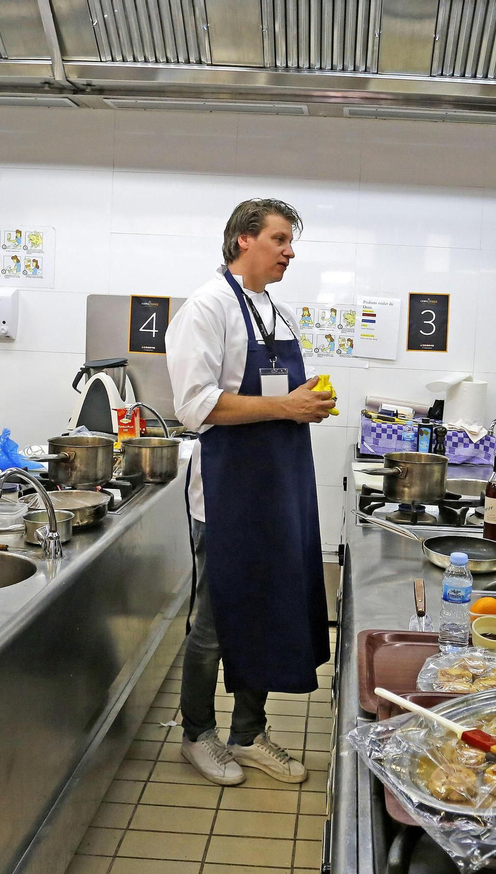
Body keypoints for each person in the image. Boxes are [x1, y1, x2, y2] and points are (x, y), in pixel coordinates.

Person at [164, 199, 334, 786]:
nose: (290, 252)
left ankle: (248, 732)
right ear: (243, 241)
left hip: (276, 487)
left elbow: (271, 394)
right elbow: (194, 406)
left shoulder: (275, 312)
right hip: (228, 491)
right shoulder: (205, 309)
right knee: (213, 622)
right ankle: (196, 734)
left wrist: (304, 399)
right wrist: (285, 405)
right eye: (280, 239)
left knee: (262, 609)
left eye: (291, 242)